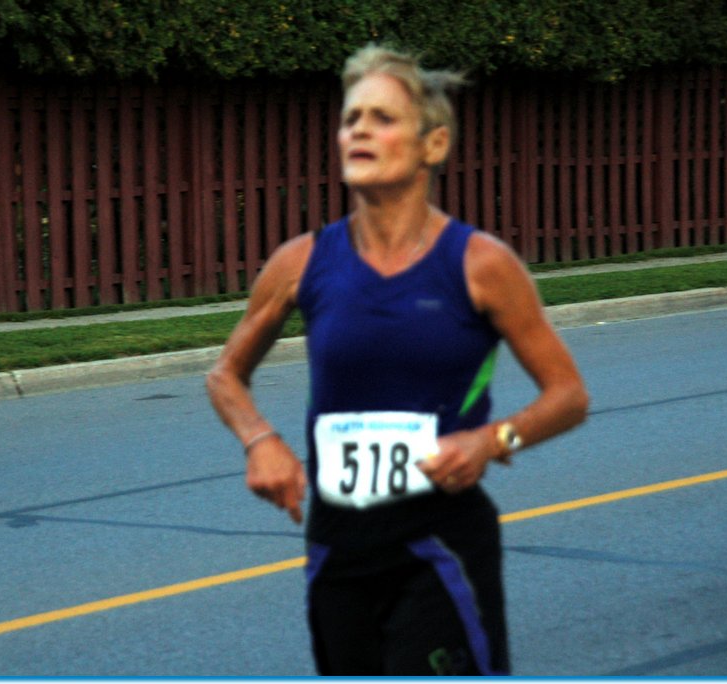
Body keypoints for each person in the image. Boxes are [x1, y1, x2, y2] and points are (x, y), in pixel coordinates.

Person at [206, 43, 589, 676]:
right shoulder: (301, 261)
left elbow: (569, 395)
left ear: (433, 145)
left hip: (440, 545)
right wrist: (260, 440)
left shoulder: (481, 264)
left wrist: (492, 440)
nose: (358, 130)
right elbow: (225, 374)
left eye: (382, 118)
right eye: (350, 118)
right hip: (337, 549)